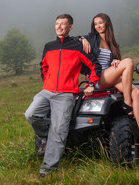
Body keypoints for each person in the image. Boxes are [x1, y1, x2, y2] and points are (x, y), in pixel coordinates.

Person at [25, 14, 101, 177]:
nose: (59, 27)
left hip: (66, 94)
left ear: (70, 27)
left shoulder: (78, 46)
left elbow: (95, 65)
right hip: (47, 91)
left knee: (59, 129)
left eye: (63, 24)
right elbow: (43, 66)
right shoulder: (49, 46)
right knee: (31, 114)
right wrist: (47, 82)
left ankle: (48, 168)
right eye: (57, 24)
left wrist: (91, 84)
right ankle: (46, 137)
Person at [78, 12, 139, 153]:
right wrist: (82, 39)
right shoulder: (91, 38)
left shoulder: (112, 43)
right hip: (98, 77)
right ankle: (127, 103)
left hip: (109, 77)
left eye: (100, 23)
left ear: (107, 23)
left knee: (137, 93)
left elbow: (115, 64)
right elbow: (76, 39)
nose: (98, 26)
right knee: (129, 62)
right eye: (95, 24)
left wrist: (115, 61)